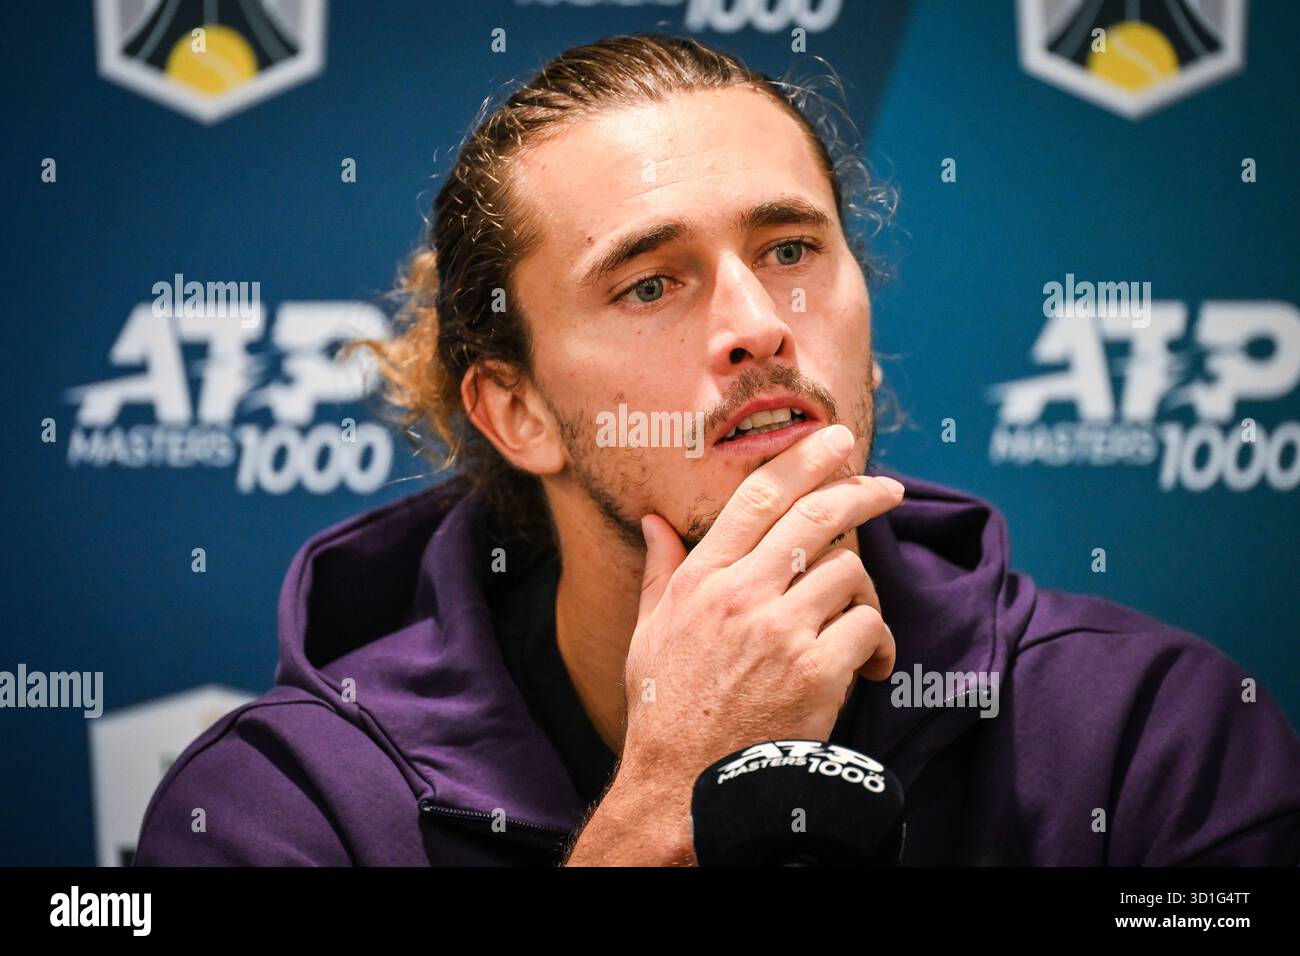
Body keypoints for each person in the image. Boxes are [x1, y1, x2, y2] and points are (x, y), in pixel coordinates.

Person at [134, 32, 1300, 867]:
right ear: (514, 411)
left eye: (791, 250)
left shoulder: (1147, 730)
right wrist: (659, 803)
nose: (755, 324)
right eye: (650, 282)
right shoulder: (281, 809)